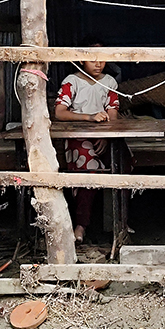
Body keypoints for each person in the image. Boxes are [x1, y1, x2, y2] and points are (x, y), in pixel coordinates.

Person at [53, 53, 119, 244]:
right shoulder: (71, 82)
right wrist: (89, 117)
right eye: (92, 59)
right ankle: (81, 224)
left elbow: (112, 113)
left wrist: (106, 136)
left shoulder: (109, 82)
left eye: (102, 58)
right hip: (77, 136)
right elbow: (60, 112)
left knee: (123, 160)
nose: (99, 63)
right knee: (88, 165)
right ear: (81, 60)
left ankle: (119, 222)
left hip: (103, 136)